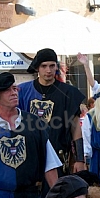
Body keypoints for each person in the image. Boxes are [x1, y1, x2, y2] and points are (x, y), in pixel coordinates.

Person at [17, 48, 86, 176]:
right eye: (44, 66)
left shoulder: (69, 93)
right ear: (37, 67)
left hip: (58, 156)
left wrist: (80, 159)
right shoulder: (22, 91)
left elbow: (75, 128)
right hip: (29, 156)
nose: (48, 70)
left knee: (58, 194)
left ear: (56, 67)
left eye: (52, 66)